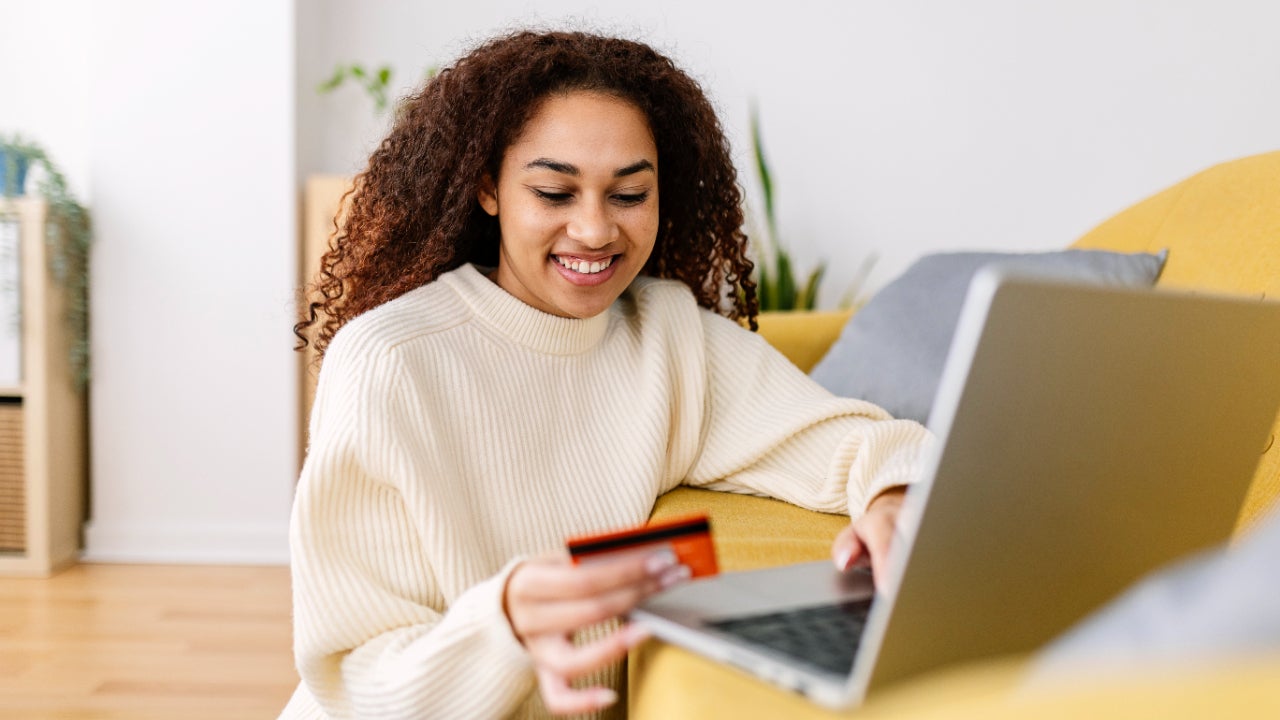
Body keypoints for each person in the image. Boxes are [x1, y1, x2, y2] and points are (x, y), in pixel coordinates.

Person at [282, 29, 930, 720]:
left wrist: (894, 495)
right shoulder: (389, 362)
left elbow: (854, 442)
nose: (594, 230)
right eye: (554, 192)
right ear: (488, 187)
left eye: (628, 194)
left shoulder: (668, 335)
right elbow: (356, 678)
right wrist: (504, 625)